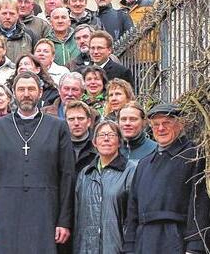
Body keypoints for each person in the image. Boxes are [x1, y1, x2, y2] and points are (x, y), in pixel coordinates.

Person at [0, 71, 75, 253]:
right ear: (14, 93)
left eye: (31, 89)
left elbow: (67, 177)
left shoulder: (58, 127)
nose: (26, 93)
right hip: (5, 211)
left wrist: (64, 220)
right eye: (21, 89)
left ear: (40, 92)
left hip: (45, 211)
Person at [123, 104, 210, 253]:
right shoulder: (144, 164)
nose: (160, 128)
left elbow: (199, 205)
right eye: (156, 124)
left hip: (176, 241)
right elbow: (132, 212)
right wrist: (129, 247)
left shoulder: (194, 156)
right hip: (144, 243)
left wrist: (195, 248)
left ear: (180, 124)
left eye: (166, 123)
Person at [74, 121, 136, 254]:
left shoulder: (131, 171)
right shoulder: (85, 174)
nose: (106, 139)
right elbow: (77, 217)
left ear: (119, 142)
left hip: (117, 247)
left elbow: (134, 215)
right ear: (94, 142)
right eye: (101, 135)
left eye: (111, 135)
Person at [65, 100, 96, 174]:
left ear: (89, 122)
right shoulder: (59, 146)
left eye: (80, 118)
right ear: (65, 122)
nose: (76, 123)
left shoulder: (98, 146)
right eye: (71, 119)